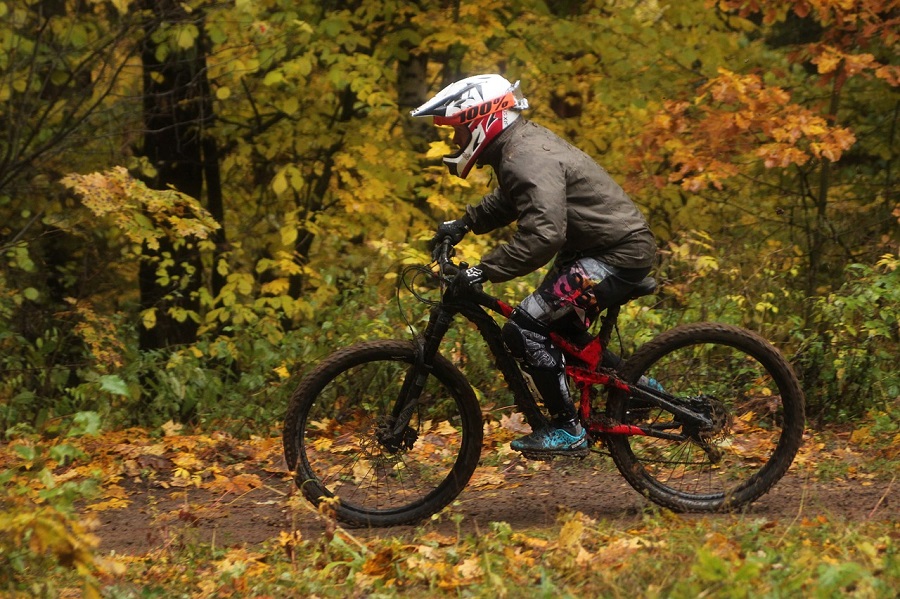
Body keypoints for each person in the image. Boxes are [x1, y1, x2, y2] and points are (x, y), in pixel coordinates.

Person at [411, 74, 657, 456]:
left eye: (458, 132)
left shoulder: (523, 155)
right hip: (599, 248)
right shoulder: (517, 148)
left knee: (525, 327)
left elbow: (544, 234)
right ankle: (640, 391)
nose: (457, 142)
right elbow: (514, 197)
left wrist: (483, 270)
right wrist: (465, 223)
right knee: (559, 329)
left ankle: (568, 429)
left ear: (480, 122)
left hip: (616, 254)